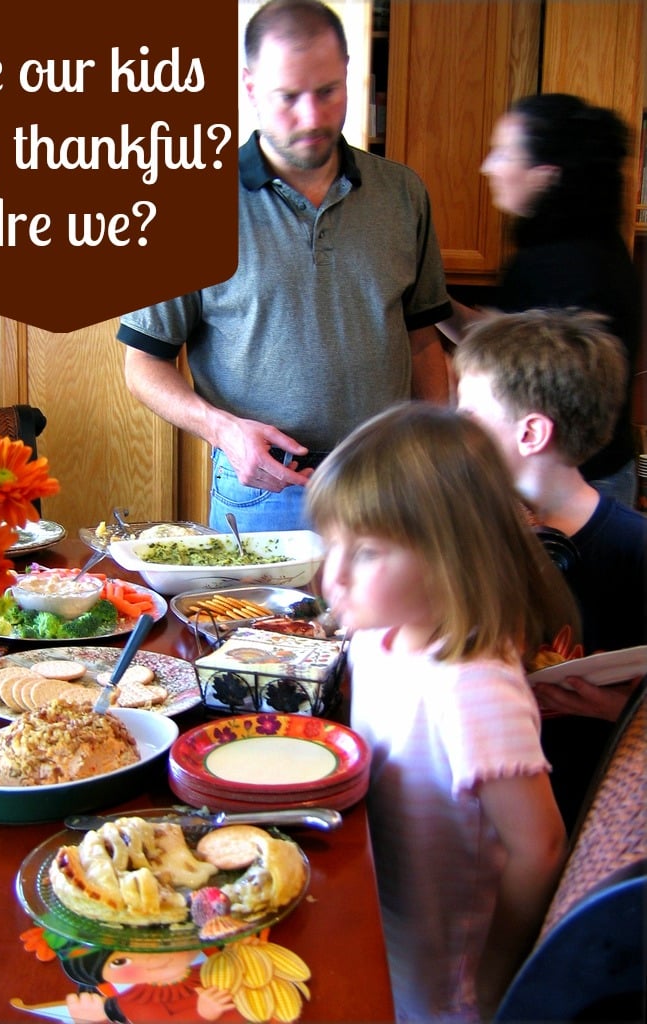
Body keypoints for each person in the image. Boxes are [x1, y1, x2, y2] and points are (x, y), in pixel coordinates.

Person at [117, 0, 451, 533]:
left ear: (348, 74)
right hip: (264, 488)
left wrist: (441, 451)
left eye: (327, 92)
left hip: (389, 485)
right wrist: (222, 430)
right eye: (288, 97)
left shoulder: (403, 193)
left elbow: (423, 340)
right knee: (250, 623)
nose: (312, 117)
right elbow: (144, 366)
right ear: (249, 87)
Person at [306, 402, 568, 1022]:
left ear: (452, 556)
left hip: (444, 973)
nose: (330, 575)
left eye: (366, 553)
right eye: (330, 544)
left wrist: (497, 973)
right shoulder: (380, 635)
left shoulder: (470, 683)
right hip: (382, 908)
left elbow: (540, 847)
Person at [454, 307, 647, 831]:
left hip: (589, 811)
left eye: (469, 416)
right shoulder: (464, 536)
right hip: (476, 813)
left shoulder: (635, 549)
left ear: (532, 432)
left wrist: (617, 711)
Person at [439, 93, 641, 506]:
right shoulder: (578, 246)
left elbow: (514, 362)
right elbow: (505, 337)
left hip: (571, 489)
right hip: (594, 476)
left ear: (545, 174)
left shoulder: (566, 263)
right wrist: (428, 300)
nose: (488, 166)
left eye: (504, 154)